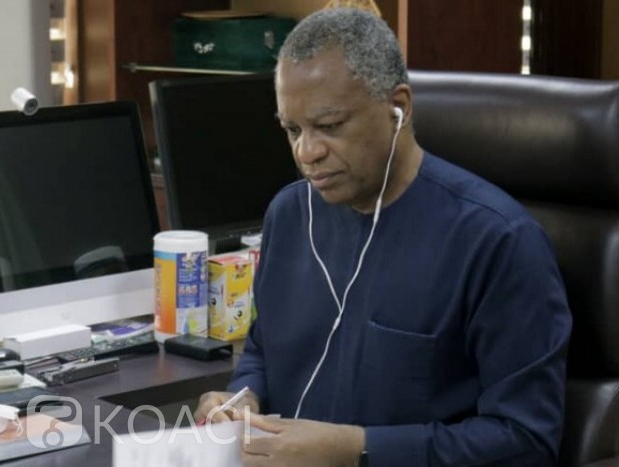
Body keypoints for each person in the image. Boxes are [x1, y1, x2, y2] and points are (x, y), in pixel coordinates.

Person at [194, 8, 572, 466]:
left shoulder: (498, 241)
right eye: (292, 130)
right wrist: (242, 399)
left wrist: (354, 449)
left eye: (329, 126)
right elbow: (263, 351)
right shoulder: (290, 214)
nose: (306, 153)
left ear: (400, 108)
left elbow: (526, 439)